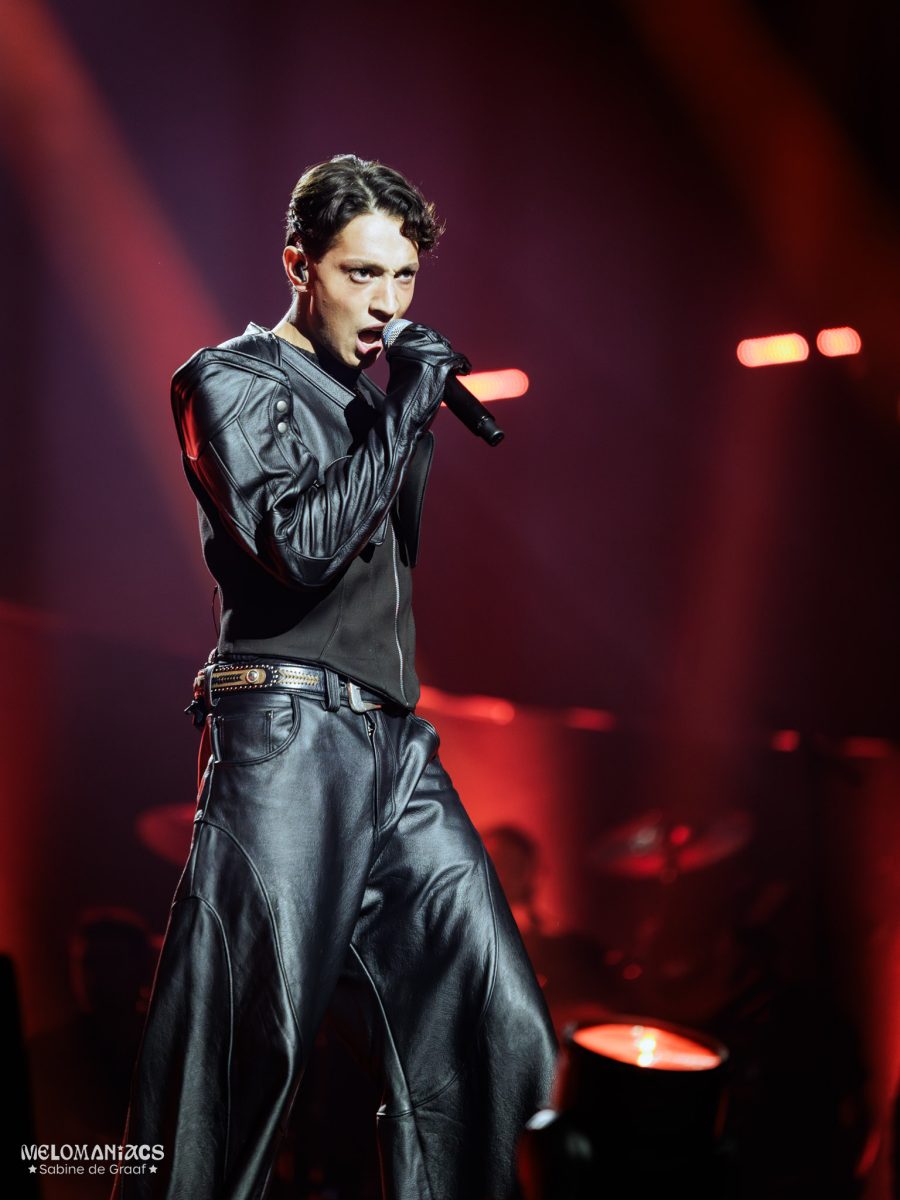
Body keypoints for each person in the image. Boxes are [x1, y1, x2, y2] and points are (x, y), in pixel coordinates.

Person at [113, 154, 557, 1200]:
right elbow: (301, 548)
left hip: (396, 746)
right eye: (362, 274)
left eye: (404, 278)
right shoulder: (228, 379)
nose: (388, 303)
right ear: (298, 266)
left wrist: (396, 414)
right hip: (284, 731)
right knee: (238, 1058)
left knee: (498, 1029)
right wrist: (406, 411)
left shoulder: (374, 401)